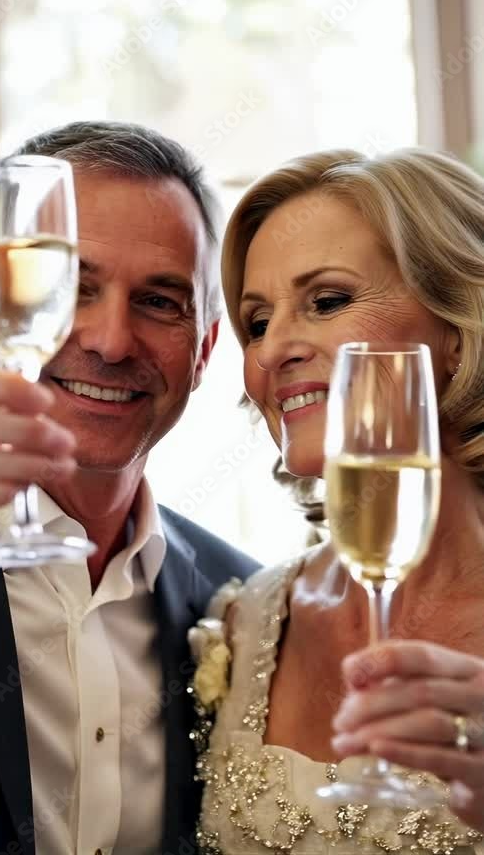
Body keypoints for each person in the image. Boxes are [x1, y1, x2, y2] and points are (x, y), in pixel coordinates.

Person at [0, 121, 259, 854]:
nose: (111, 341)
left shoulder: (244, 607)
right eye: (68, 289)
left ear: (204, 350)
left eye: (160, 301)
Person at [189, 147, 484, 853]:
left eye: (327, 302)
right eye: (257, 323)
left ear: (456, 329)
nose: (273, 351)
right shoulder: (242, 620)